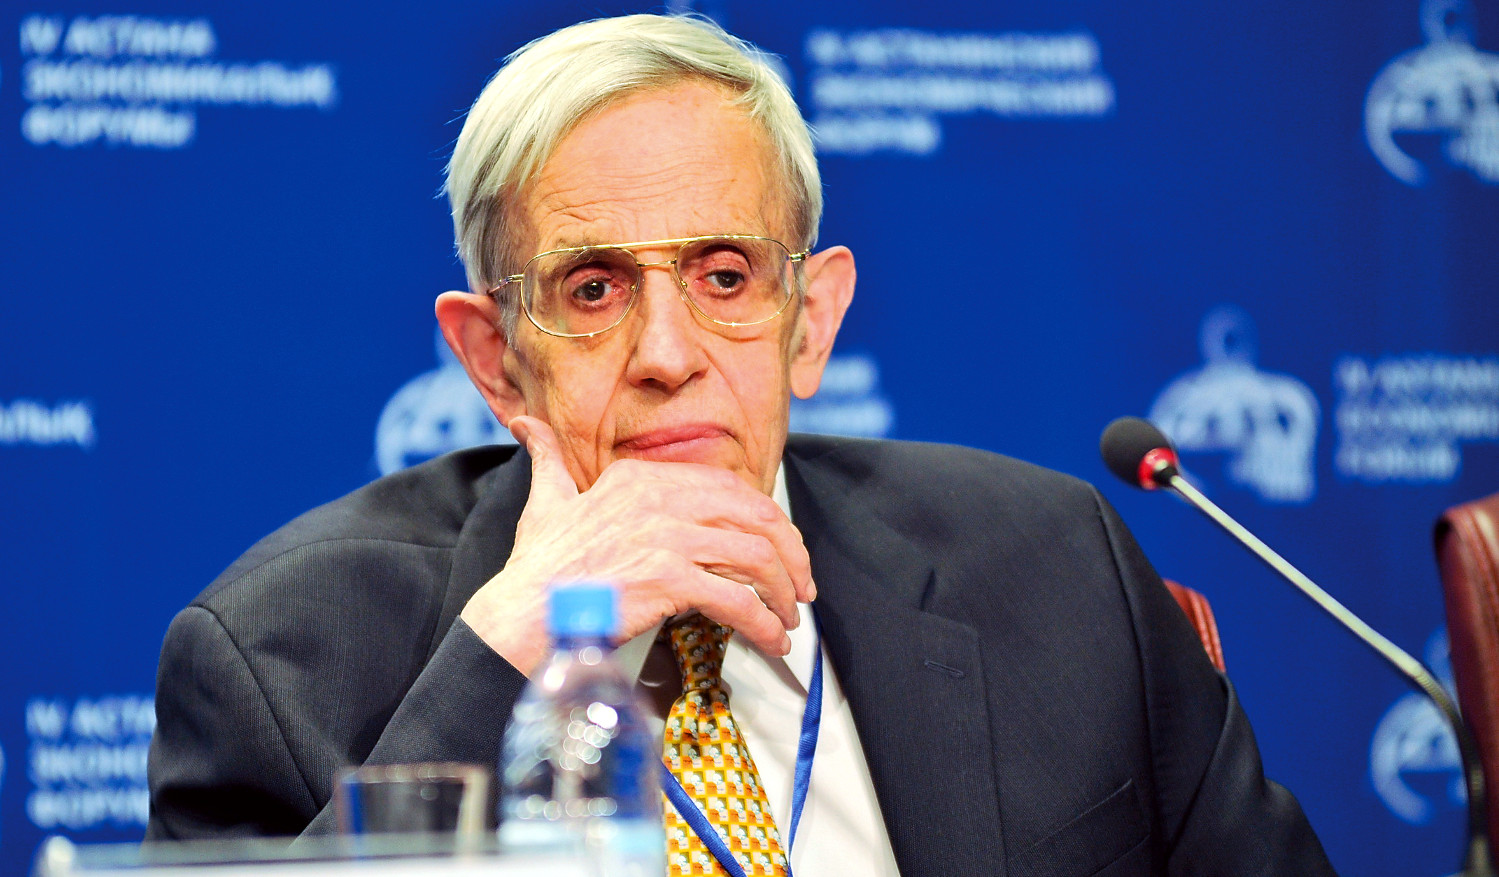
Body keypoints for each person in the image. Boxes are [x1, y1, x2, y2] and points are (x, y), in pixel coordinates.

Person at [146, 13, 1335, 876]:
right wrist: (510, 649)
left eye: (724, 275)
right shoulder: (283, 657)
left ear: (807, 323)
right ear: (496, 357)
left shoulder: (1054, 568)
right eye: (593, 287)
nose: (666, 352)